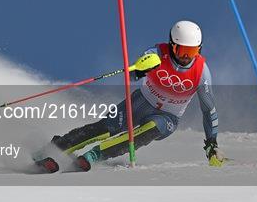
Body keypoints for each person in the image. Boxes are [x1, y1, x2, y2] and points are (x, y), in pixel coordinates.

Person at [37, 20, 225, 172]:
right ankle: (55, 148)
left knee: (148, 130)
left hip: (168, 117)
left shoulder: (202, 73)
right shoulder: (157, 54)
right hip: (141, 102)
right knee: (106, 128)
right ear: (172, 45)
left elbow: (209, 110)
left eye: (191, 52)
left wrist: (211, 143)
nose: (186, 57)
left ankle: (94, 155)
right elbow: (131, 74)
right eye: (182, 51)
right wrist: (141, 70)